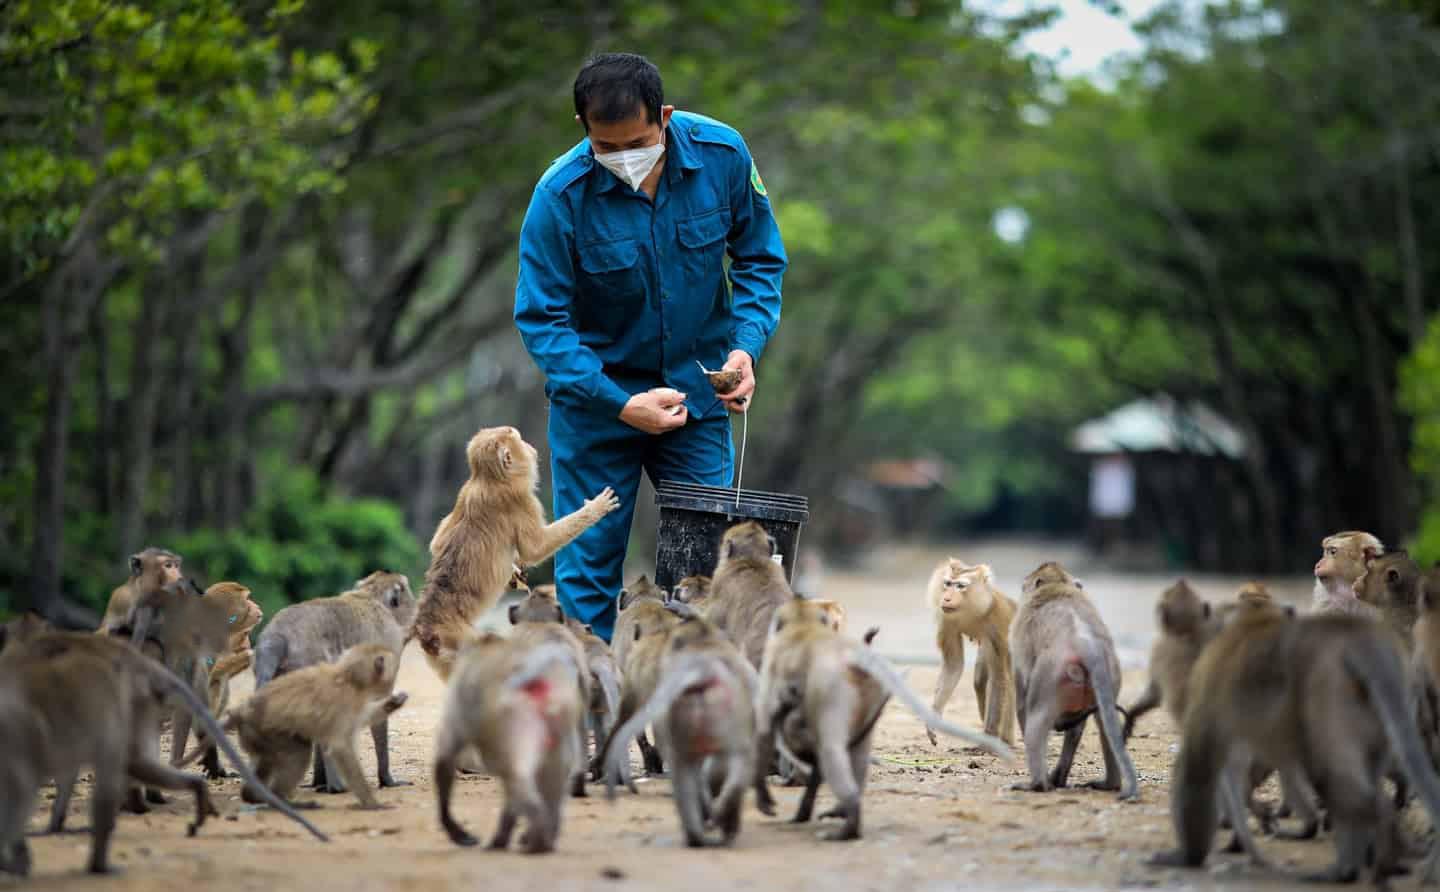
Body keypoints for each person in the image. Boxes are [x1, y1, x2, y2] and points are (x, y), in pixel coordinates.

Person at [513, 53, 787, 642]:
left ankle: (694, 692)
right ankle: (594, 695)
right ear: (583, 127)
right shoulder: (558, 195)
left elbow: (760, 258)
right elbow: (543, 321)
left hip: (696, 399)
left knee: (705, 570)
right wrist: (618, 402)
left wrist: (744, 349)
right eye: (605, 147)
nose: (623, 159)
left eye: (636, 143)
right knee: (586, 573)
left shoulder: (723, 155)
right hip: (597, 406)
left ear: (664, 116)